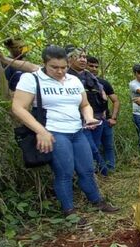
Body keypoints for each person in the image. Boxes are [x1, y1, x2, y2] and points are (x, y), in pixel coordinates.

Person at [11, 45, 118, 221]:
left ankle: (97, 201)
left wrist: (89, 117)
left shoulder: (74, 81)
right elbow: (18, 107)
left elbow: (84, 104)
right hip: (54, 132)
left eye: (63, 67)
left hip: (77, 131)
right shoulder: (32, 79)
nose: (60, 71)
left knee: (87, 169)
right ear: (44, 63)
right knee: (65, 172)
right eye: (54, 67)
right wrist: (41, 131)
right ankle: (70, 211)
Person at [65, 46, 109, 176]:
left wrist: (104, 111)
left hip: (97, 118)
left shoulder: (91, 76)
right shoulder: (65, 76)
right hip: (79, 120)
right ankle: (101, 172)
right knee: (90, 148)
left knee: (95, 147)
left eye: (84, 57)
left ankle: (99, 174)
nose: (83, 59)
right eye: (79, 57)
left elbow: (102, 94)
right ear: (69, 59)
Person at [86, 56, 119, 171]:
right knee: (94, 147)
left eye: (96, 67)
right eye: (91, 66)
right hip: (89, 122)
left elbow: (115, 100)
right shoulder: (79, 82)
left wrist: (113, 118)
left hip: (105, 120)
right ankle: (98, 171)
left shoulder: (103, 83)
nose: (94, 69)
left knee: (108, 146)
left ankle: (110, 169)